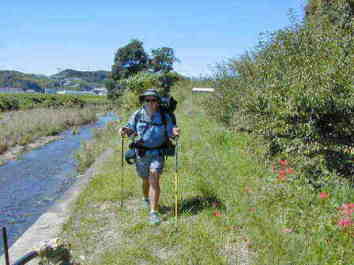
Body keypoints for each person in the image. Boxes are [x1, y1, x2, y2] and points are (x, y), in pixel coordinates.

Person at [119, 89, 180, 225]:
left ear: (158, 102)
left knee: (154, 178)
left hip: (157, 154)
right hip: (141, 154)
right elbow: (131, 130)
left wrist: (175, 132)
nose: (151, 103)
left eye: (154, 100)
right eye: (148, 100)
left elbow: (171, 132)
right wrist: (124, 131)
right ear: (143, 101)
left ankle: (153, 212)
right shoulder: (137, 114)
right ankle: (145, 198)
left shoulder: (165, 116)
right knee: (145, 179)